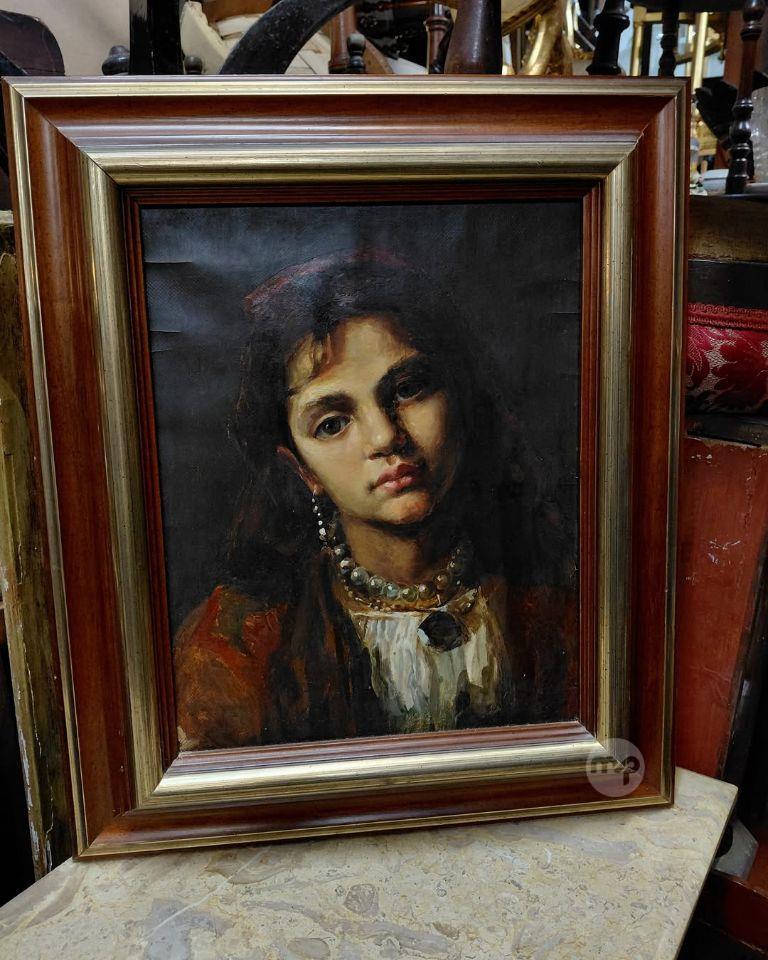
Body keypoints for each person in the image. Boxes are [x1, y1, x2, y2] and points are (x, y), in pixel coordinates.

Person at [173, 249, 576, 750]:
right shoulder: (238, 642)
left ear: (459, 395)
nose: (386, 436)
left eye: (408, 389)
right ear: (302, 470)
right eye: (332, 423)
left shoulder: (557, 598)